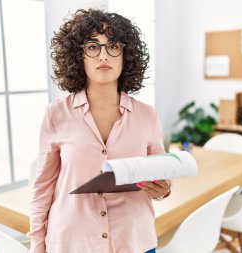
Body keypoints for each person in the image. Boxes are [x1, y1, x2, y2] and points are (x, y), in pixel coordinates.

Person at [27, 9, 172, 253]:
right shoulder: (56, 115)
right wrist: (37, 246)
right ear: (78, 56)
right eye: (93, 47)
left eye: (113, 46)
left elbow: (161, 174)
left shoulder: (148, 115)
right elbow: (43, 189)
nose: (103, 55)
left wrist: (163, 189)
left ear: (126, 55)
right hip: (72, 242)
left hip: (134, 241)